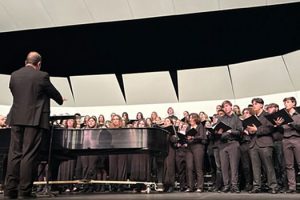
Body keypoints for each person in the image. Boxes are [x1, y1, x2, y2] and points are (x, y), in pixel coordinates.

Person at [4, 51, 64, 199]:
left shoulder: (14, 75)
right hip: (34, 120)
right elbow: (53, 92)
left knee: (14, 154)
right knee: (29, 155)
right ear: (39, 64)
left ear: (26, 62)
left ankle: (10, 190)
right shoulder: (41, 75)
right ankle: (24, 191)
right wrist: (61, 99)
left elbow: (14, 91)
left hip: (16, 118)